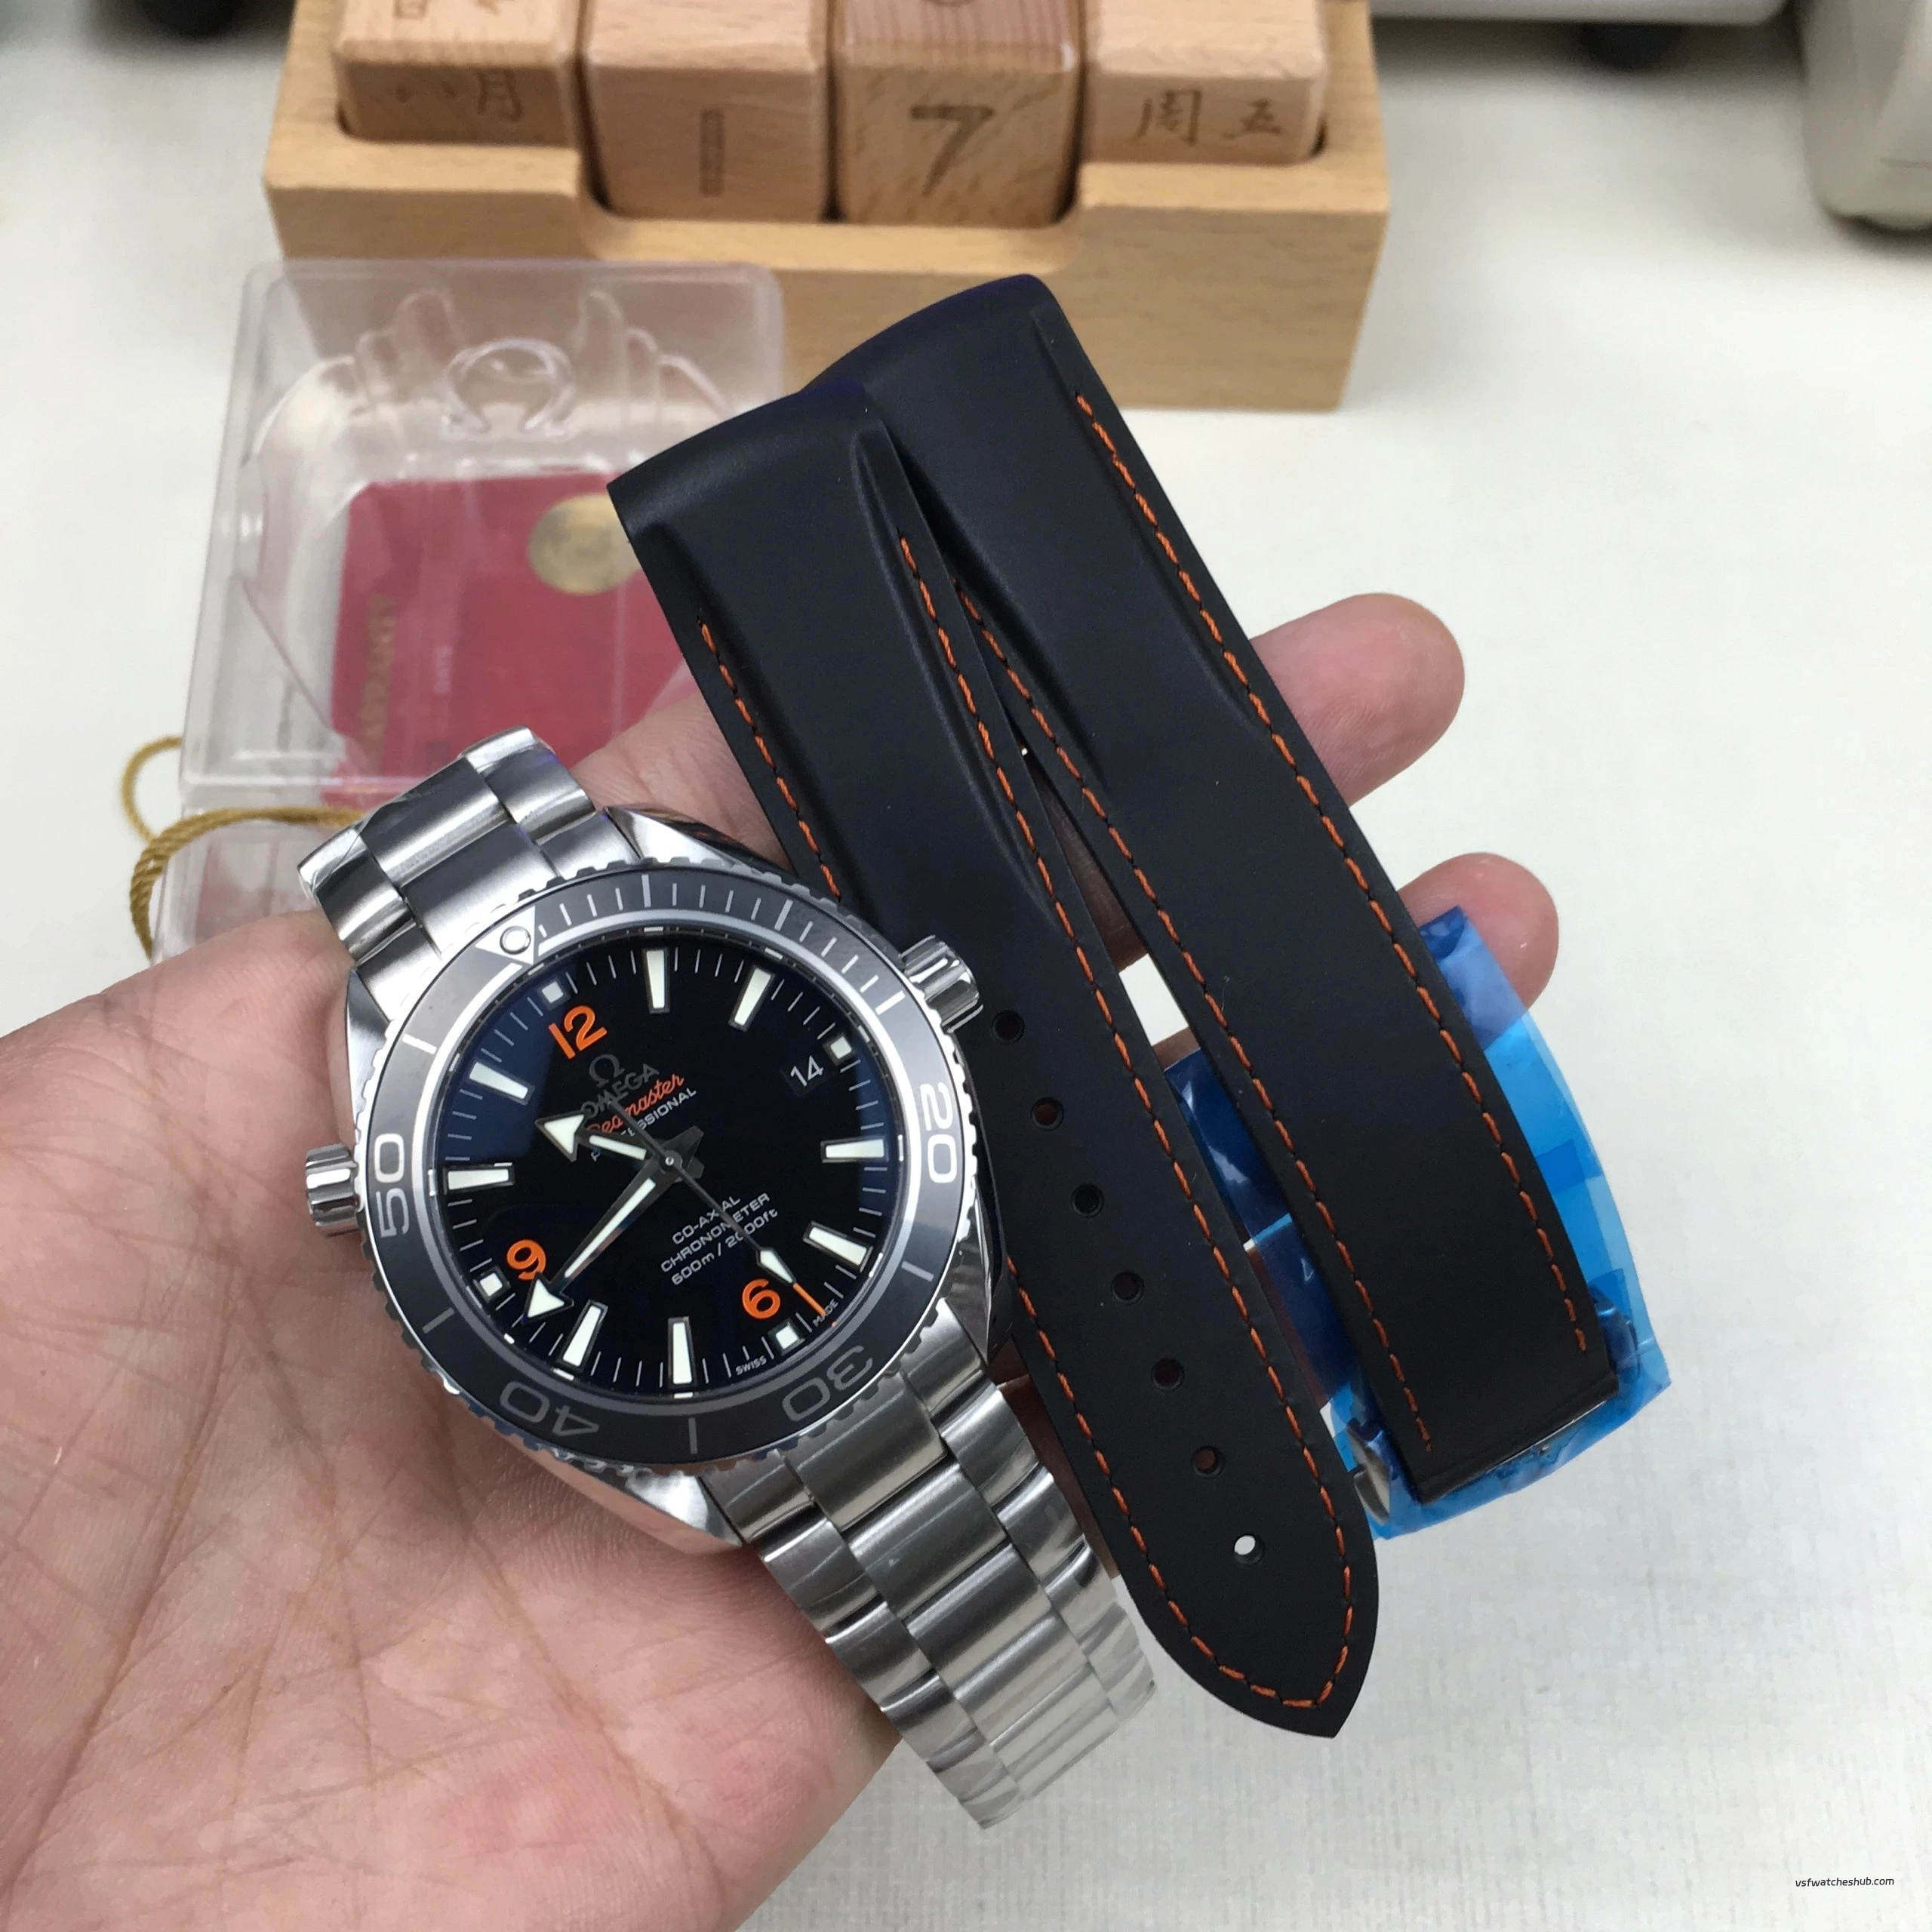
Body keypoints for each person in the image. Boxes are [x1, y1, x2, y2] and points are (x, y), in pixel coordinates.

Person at [0, 595, 1558, 1929]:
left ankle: (1046, 1676)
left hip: (882, 1284)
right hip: (761, 1371)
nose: (666, 1164)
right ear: (373, 1204)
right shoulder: (439, 1188)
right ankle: (1035, 1690)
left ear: (911, 990)